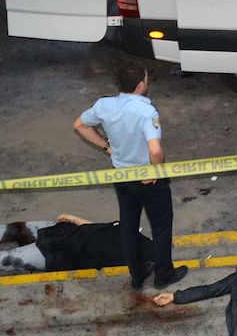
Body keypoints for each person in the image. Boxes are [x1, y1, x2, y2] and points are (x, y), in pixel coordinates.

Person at [74, 62, 188, 290]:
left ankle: (137, 274)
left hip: (122, 176)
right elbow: (155, 149)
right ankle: (163, 274)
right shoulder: (146, 112)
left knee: (128, 225)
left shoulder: (104, 105)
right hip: (148, 177)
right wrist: (156, 171)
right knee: (161, 226)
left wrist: (107, 146)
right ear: (140, 85)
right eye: (146, 78)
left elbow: (80, 125)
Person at [0, 213, 155, 276]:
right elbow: (100, 225)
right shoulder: (133, 231)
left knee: (3, 259)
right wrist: (75, 219)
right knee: (14, 229)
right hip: (62, 233)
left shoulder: (136, 263)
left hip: (56, 255)